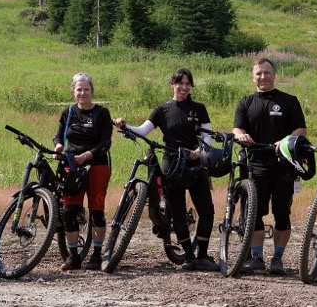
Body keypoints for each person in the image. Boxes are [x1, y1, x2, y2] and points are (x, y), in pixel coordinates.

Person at [114, 67, 218, 272]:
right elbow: (143, 130)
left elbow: (207, 136)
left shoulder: (199, 108)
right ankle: (188, 256)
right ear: (172, 85)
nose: (184, 87)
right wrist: (124, 126)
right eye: (180, 83)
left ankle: (203, 256)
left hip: (195, 162)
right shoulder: (162, 109)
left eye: (187, 84)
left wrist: (198, 152)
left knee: (207, 210)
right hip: (171, 162)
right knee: (176, 211)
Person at [233, 58, 307, 275]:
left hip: (284, 167)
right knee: (254, 214)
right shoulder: (245, 102)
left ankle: (277, 258)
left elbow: (301, 130)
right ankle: (257, 258)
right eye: (259, 73)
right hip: (256, 166)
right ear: (253, 77)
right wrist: (241, 135)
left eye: (266, 73)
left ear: (274, 75)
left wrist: (284, 141)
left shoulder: (289, 101)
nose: (263, 77)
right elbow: (237, 129)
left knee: (282, 214)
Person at [54, 72, 113, 271]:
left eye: (86, 89)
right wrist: (58, 146)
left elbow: (106, 143)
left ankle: (96, 254)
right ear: (73, 91)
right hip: (72, 166)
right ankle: (73, 256)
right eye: (79, 89)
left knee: (97, 210)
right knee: (69, 211)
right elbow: (59, 136)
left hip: (97, 165)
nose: (83, 93)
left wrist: (87, 155)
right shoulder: (68, 112)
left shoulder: (102, 113)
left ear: (92, 91)